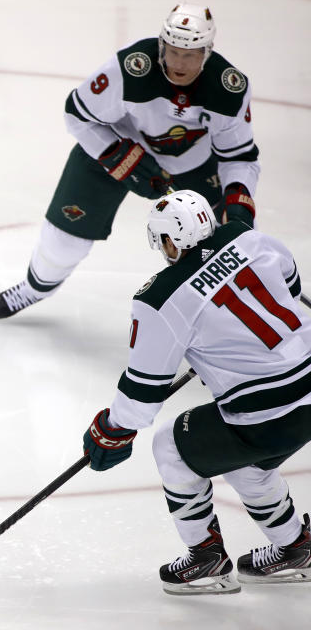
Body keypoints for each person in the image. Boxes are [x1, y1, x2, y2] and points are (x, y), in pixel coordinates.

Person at [82, 190, 311, 594]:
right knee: (248, 466)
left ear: (169, 241)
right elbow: (289, 287)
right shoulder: (248, 237)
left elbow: (142, 393)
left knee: (171, 447)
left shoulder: (161, 299)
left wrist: (111, 428)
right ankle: (297, 547)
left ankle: (205, 559)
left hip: (269, 415)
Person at [0, 3, 259, 319]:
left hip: (194, 166)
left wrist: (239, 204)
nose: (179, 63)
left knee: (226, 245)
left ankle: (227, 318)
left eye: (190, 55)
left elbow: (239, 156)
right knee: (64, 240)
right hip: (116, 146)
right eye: (172, 51)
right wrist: (122, 159)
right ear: (162, 45)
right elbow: (77, 114)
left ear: (207, 52)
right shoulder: (131, 69)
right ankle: (35, 288)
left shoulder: (228, 88)